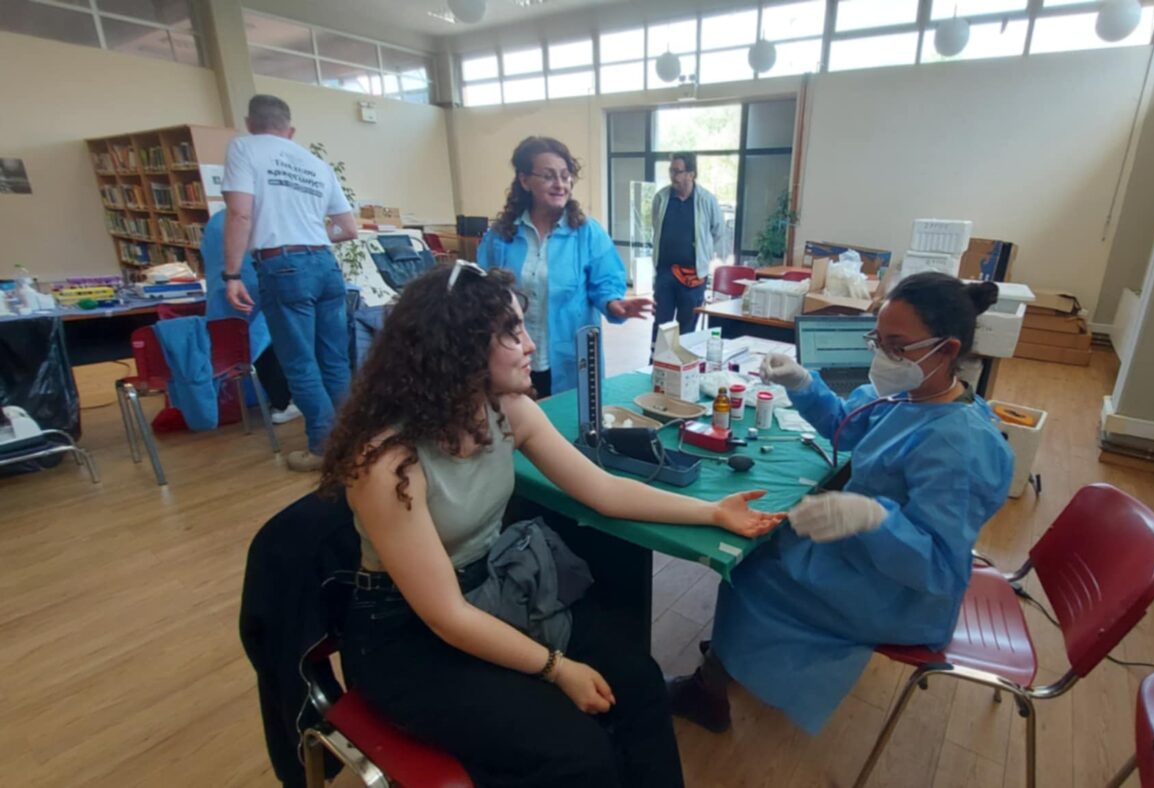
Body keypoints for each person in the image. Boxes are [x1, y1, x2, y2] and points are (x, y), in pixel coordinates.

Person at [318, 261, 786, 786]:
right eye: (511, 332)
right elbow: (446, 617)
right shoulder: (388, 463)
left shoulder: (504, 411)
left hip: (491, 592)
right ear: (459, 347)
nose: (530, 345)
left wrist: (713, 511)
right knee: (576, 751)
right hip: (405, 635)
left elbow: (604, 491)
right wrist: (557, 668)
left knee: (638, 680)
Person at [668, 272, 1015, 735]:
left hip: (906, 595)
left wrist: (876, 518)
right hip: (874, 555)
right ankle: (734, 653)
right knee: (765, 542)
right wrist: (802, 383)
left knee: (750, 569)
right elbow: (846, 426)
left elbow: (939, 568)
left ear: (947, 349)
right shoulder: (911, 395)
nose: (882, 357)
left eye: (897, 346)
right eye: (878, 341)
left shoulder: (959, 444)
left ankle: (710, 690)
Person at [221, 94, 357, 472]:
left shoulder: (244, 148)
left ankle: (324, 448)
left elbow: (239, 214)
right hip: (325, 264)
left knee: (300, 362)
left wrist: (232, 274)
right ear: (291, 130)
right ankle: (353, 442)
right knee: (334, 360)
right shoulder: (316, 164)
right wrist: (310, 238)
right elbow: (348, 229)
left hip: (281, 265)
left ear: (250, 123)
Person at [479, 137, 652, 397]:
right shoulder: (502, 235)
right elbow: (482, 290)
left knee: (567, 416)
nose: (560, 184)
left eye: (565, 176)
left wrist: (613, 303)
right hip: (514, 354)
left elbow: (606, 281)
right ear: (525, 181)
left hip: (570, 356)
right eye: (548, 176)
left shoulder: (587, 232)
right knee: (516, 417)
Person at [201, 210, 298, 424]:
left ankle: (277, 401)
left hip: (222, 298)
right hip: (256, 289)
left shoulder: (216, 221)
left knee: (250, 346)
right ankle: (285, 402)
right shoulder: (261, 216)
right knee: (273, 345)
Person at [649, 152, 726, 338]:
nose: (673, 176)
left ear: (691, 174)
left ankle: (682, 358)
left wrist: (708, 258)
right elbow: (656, 227)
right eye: (671, 170)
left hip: (694, 276)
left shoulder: (707, 200)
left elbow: (719, 232)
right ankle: (657, 357)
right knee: (661, 326)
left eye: (677, 171)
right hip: (665, 274)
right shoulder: (661, 198)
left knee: (687, 329)